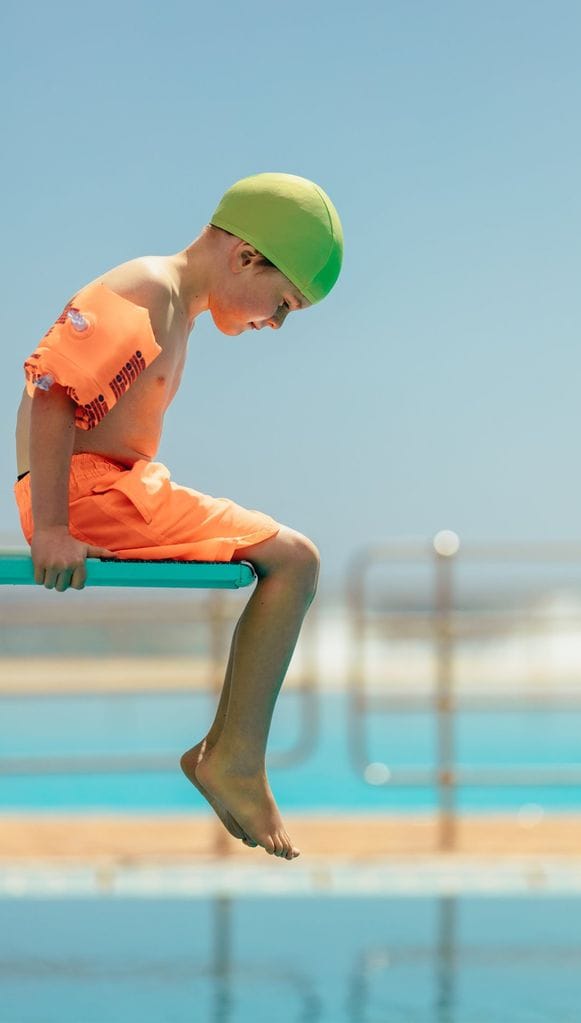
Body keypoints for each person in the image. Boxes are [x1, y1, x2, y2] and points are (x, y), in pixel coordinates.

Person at [13, 172, 343, 861]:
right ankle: (235, 759)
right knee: (296, 560)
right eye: (284, 303)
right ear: (247, 255)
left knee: (291, 559)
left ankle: (231, 753)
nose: (276, 323)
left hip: (113, 486)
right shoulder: (147, 290)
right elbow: (50, 392)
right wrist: (50, 527)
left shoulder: (174, 307)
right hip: (89, 495)